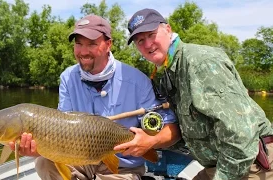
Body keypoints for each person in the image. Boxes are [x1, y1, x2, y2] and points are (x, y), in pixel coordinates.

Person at [9, 14, 181, 180]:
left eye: (91, 44)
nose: (83, 51)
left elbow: (171, 129)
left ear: (108, 44)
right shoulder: (67, 78)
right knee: (43, 163)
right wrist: (41, 148)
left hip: (122, 165)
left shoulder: (138, 81)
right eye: (78, 44)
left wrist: (150, 141)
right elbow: (60, 129)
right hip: (78, 159)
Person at [115, 8, 273, 180]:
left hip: (250, 164)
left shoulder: (200, 63)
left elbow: (241, 137)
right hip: (219, 164)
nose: (147, 44)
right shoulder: (168, 72)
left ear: (168, 29)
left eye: (152, 35)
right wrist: (148, 140)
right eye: (140, 41)